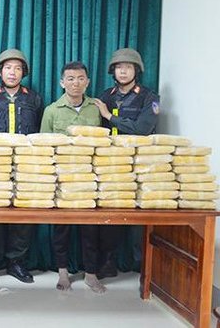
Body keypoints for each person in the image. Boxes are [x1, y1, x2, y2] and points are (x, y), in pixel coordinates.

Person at [0, 49, 43, 284]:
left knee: (23, 214)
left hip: (26, 166)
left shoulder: (34, 99)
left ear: (24, 72)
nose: (12, 72)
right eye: (7, 68)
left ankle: (17, 262)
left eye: (17, 68)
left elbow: (39, 130)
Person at [93, 48, 160, 278]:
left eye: (128, 67)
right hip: (110, 163)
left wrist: (110, 116)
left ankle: (143, 268)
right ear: (113, 71)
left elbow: (143, 129)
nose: (123, 71)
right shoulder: (106, 96)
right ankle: (108, 261)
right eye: (119, 67)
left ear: (136, 70)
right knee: (108, 212)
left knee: (138, 218)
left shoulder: (150, 97)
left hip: (139, 164)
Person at [40, 61, 104, 293]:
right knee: (61, 229)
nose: (75, 83)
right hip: (62, 179)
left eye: (80, 78)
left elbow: (103, 142)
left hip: (89, 179)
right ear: (62, 82)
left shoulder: (96, 108)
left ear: (87, 82)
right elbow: (44, 145)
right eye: (70, 79)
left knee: (91, 230)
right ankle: (63, 273)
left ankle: (91, 275)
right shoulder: (51, 110)